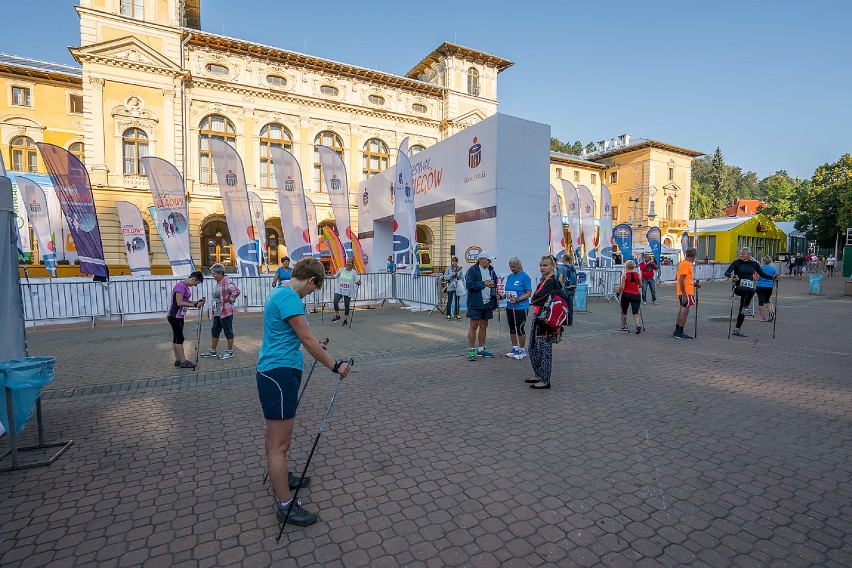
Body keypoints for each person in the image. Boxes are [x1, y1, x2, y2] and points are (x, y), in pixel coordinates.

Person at [256, 257, 351, 527]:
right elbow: (307, 340)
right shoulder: (290, 298)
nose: (311, 294)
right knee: (280, 445)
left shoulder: (279, 291)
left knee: (274, 437)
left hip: (274, 371)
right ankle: (285, 505)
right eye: (314, 289)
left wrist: (313, 344)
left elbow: (297, 335)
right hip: (279, 373)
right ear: (311, 280)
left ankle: (281, 478)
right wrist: (335, 366)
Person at [724, 247, 779, 337]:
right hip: (739, 288)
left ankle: (737, 329)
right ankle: (745, 308)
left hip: (748, 290)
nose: (741, 255)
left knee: (742, 310)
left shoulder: (754, 264)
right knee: (752, 290)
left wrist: (773, 278)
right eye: (741, 254)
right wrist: (732, 276)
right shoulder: (736, 263)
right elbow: (726, 273)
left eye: (743, 254)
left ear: (749, 255)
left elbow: (762, 274)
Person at [527, 255, 561, 389]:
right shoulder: (544, 280)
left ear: (552, 266)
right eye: (541, 265)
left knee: (544, 349)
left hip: (546, 318)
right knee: (533, 347)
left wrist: (536, 298)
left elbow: (535, 298)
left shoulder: (550, 282)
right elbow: (536, 298)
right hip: (539, 316)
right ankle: (539, 374)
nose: (542, 268)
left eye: (545, 265)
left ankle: (545, 380)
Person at [200, 263, 241, 360]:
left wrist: (229, 299)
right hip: (217, 311)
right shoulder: (219, 282)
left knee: (228, 331)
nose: (213, 276)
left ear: (220, 273)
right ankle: (213, 350)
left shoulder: (226, 282)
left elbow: (236, 291)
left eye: (214, 274)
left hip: (225, 310)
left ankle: (229, 351)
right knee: (215, 330)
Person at [167, 271, 204, 368]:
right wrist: (195, 305)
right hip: (174, 315)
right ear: (193, 279)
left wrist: (196, 302)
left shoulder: (184, 286)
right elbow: (179, 303)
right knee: (179, 338)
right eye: (196, 283)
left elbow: (185, 301)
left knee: (176, 338)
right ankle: (183, 361)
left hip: (178, 315)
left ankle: (178, 359)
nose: (195, 286)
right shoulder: (180, 286)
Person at [465, 251, 498, 361]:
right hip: (475, 302)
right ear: (481, 259)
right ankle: (471, 350)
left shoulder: (491, 270)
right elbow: (469, 285)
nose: (490, 262)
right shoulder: (472, 270)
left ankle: (481, 349)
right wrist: (484, 283)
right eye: (488, 260)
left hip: (488, 303)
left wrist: (495, 292)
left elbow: (495, 283)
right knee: (473, 325)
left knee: (484, 325)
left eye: (490, 260)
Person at [502, 257, 532, 359]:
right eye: (510, 267)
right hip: (510, 306)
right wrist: (501, 296)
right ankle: (515, 348)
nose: (512, 268)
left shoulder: (525, 277)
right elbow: (508, 292)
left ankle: (522, 350)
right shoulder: (510, 277)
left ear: (518, 265)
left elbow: (529, 293)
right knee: (511, 327)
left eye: (514, 266)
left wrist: (518, 299)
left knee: (520, 328)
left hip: (521, 307)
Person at [673, 248, 698, 340]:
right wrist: (684, 294)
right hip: (686, 292)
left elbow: (680, 277)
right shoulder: (686, 264)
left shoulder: (684, 264)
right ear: (693, 255)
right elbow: (681, 279)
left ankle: (677, 330)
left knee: (682, 309)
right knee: (685, 311)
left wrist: (693, 284)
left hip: (686, 290)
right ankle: (679, 331)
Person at [330, 257, 361, 326]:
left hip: (348, 291)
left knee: (346, 306)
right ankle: (337, 316)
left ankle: (345, 320)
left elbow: (357, 281)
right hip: (340, 289)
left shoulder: (353, 272)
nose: (348, 263)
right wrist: (326, 277)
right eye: (347, 262)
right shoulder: (341, 269)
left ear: (352, 264)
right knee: (335, 302)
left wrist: (359, 282)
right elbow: (335, 276)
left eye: (349, 262)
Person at [617, 260, 643, 333]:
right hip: (636, 294)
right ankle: (638, 325)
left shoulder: (624, 275)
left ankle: (623, 326)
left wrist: (618, 292)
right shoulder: (638, 275)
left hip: (626, 294)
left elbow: (622, 287)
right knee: (635, 311)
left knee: (624, 311)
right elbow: (640, 286)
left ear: (626, 267)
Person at [756, 256, 777, 322]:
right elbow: (774, 278)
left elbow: (757, 278)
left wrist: (754, 277)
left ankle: (762, 317)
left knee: (760, 301)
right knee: (767, 300)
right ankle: (771, 312)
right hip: (769, 286)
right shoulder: (773, 269)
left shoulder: (760, 268)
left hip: (760, 286)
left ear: (763, 261)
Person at [561, 255, 577, 326]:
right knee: (570, 306)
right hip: (572, 288)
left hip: (565, 289)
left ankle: (564, 321)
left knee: (564, 305)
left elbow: (560, 279)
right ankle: (570, 322)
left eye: (562, 258)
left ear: (564, 259)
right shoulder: (573, 267)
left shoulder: (562, 267)